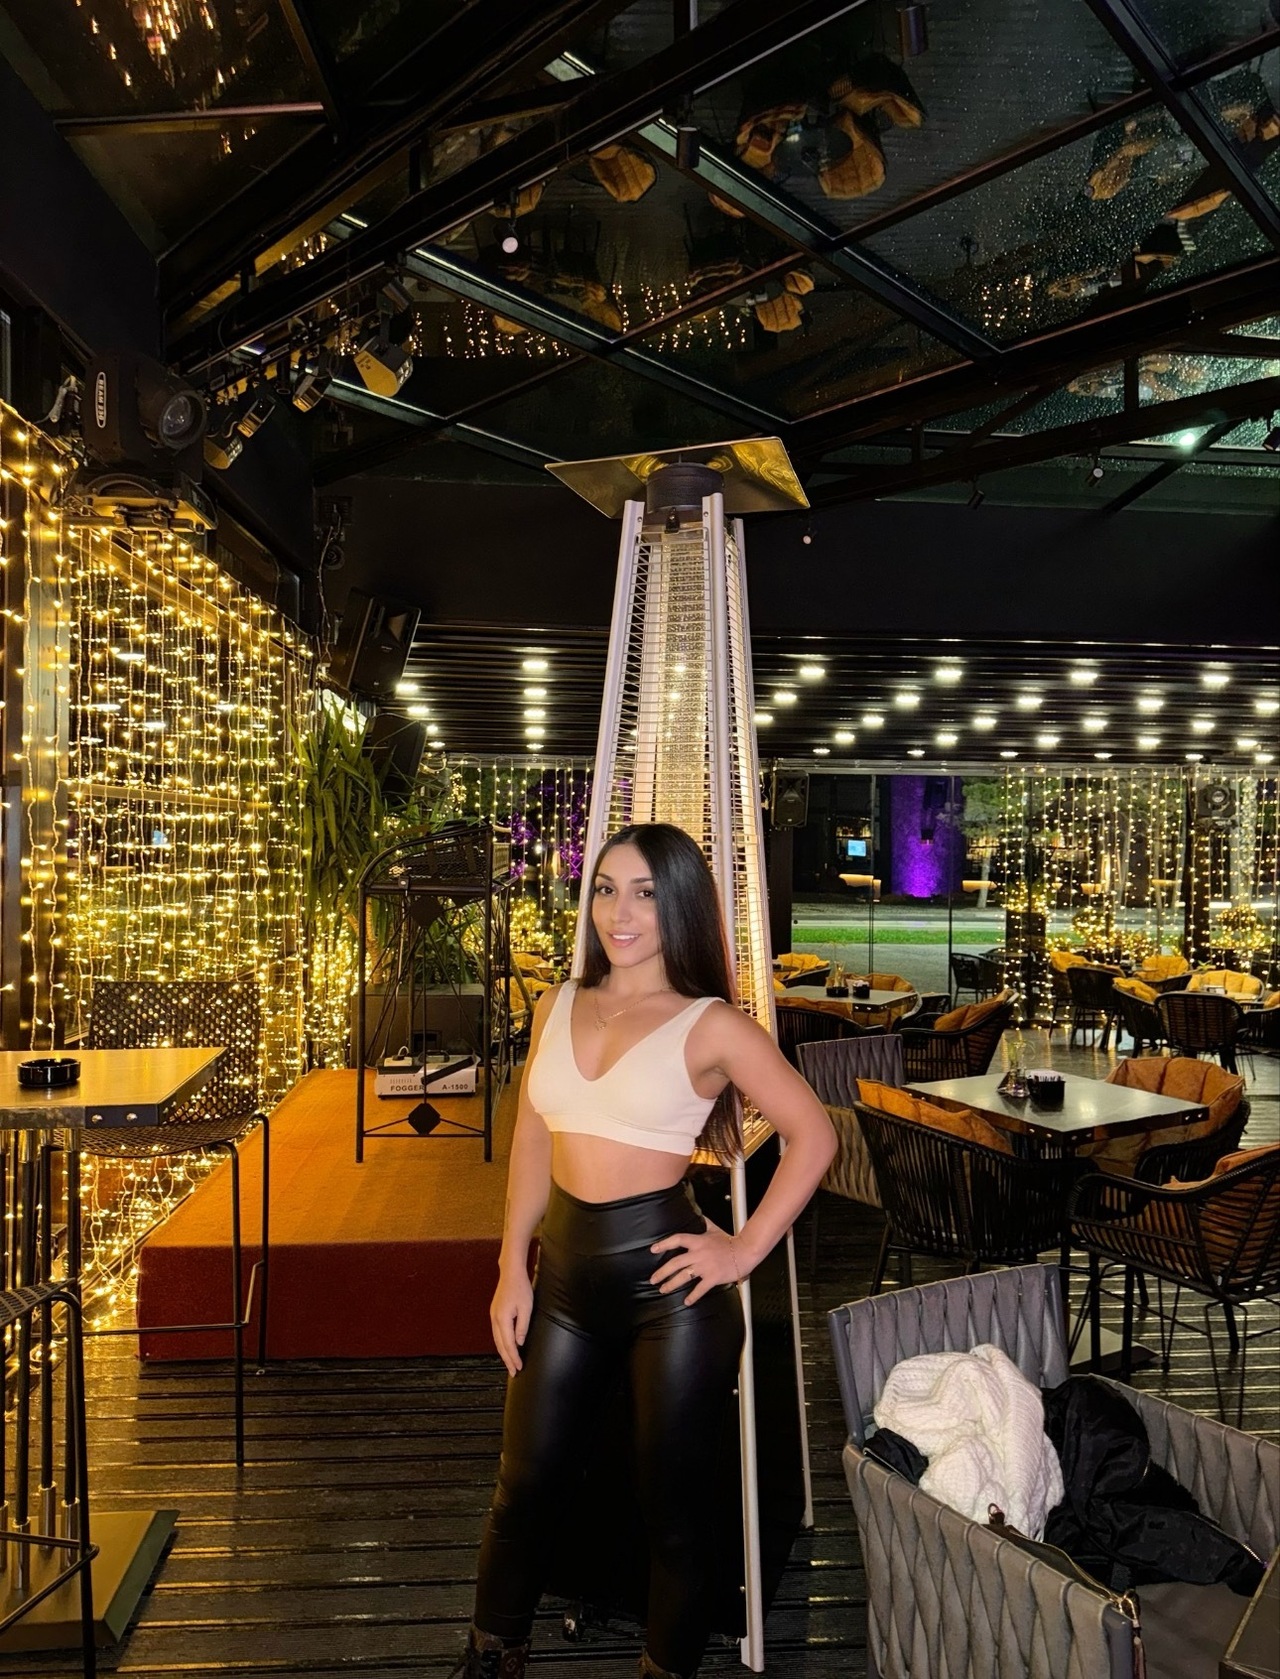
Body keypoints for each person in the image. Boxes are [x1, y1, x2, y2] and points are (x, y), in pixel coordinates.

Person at [456, 822, 836, 1679]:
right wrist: (511, 1264)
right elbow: (533, 1138)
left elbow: (814, 1135)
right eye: (605, 889)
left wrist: (742, 1250)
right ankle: (490, 1657)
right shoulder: (557, 1003)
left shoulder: (711, 1025)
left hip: (672, 1297)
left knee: (675, 1515)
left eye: (644, 893)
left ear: (680, 905)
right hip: (561, 1282)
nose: (618, 913)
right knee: (522, 1486)